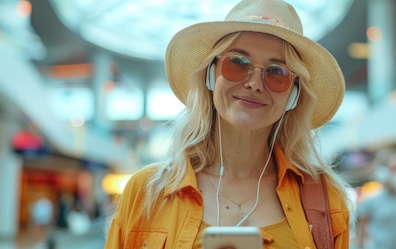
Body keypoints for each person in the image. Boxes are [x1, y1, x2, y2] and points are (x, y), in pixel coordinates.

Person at [104, 0, 353, 248]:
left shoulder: (327, 201)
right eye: (238, 63)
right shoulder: (146, 193)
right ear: (211, 75)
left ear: (294, 95)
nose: (255, 83)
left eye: (277, 72)